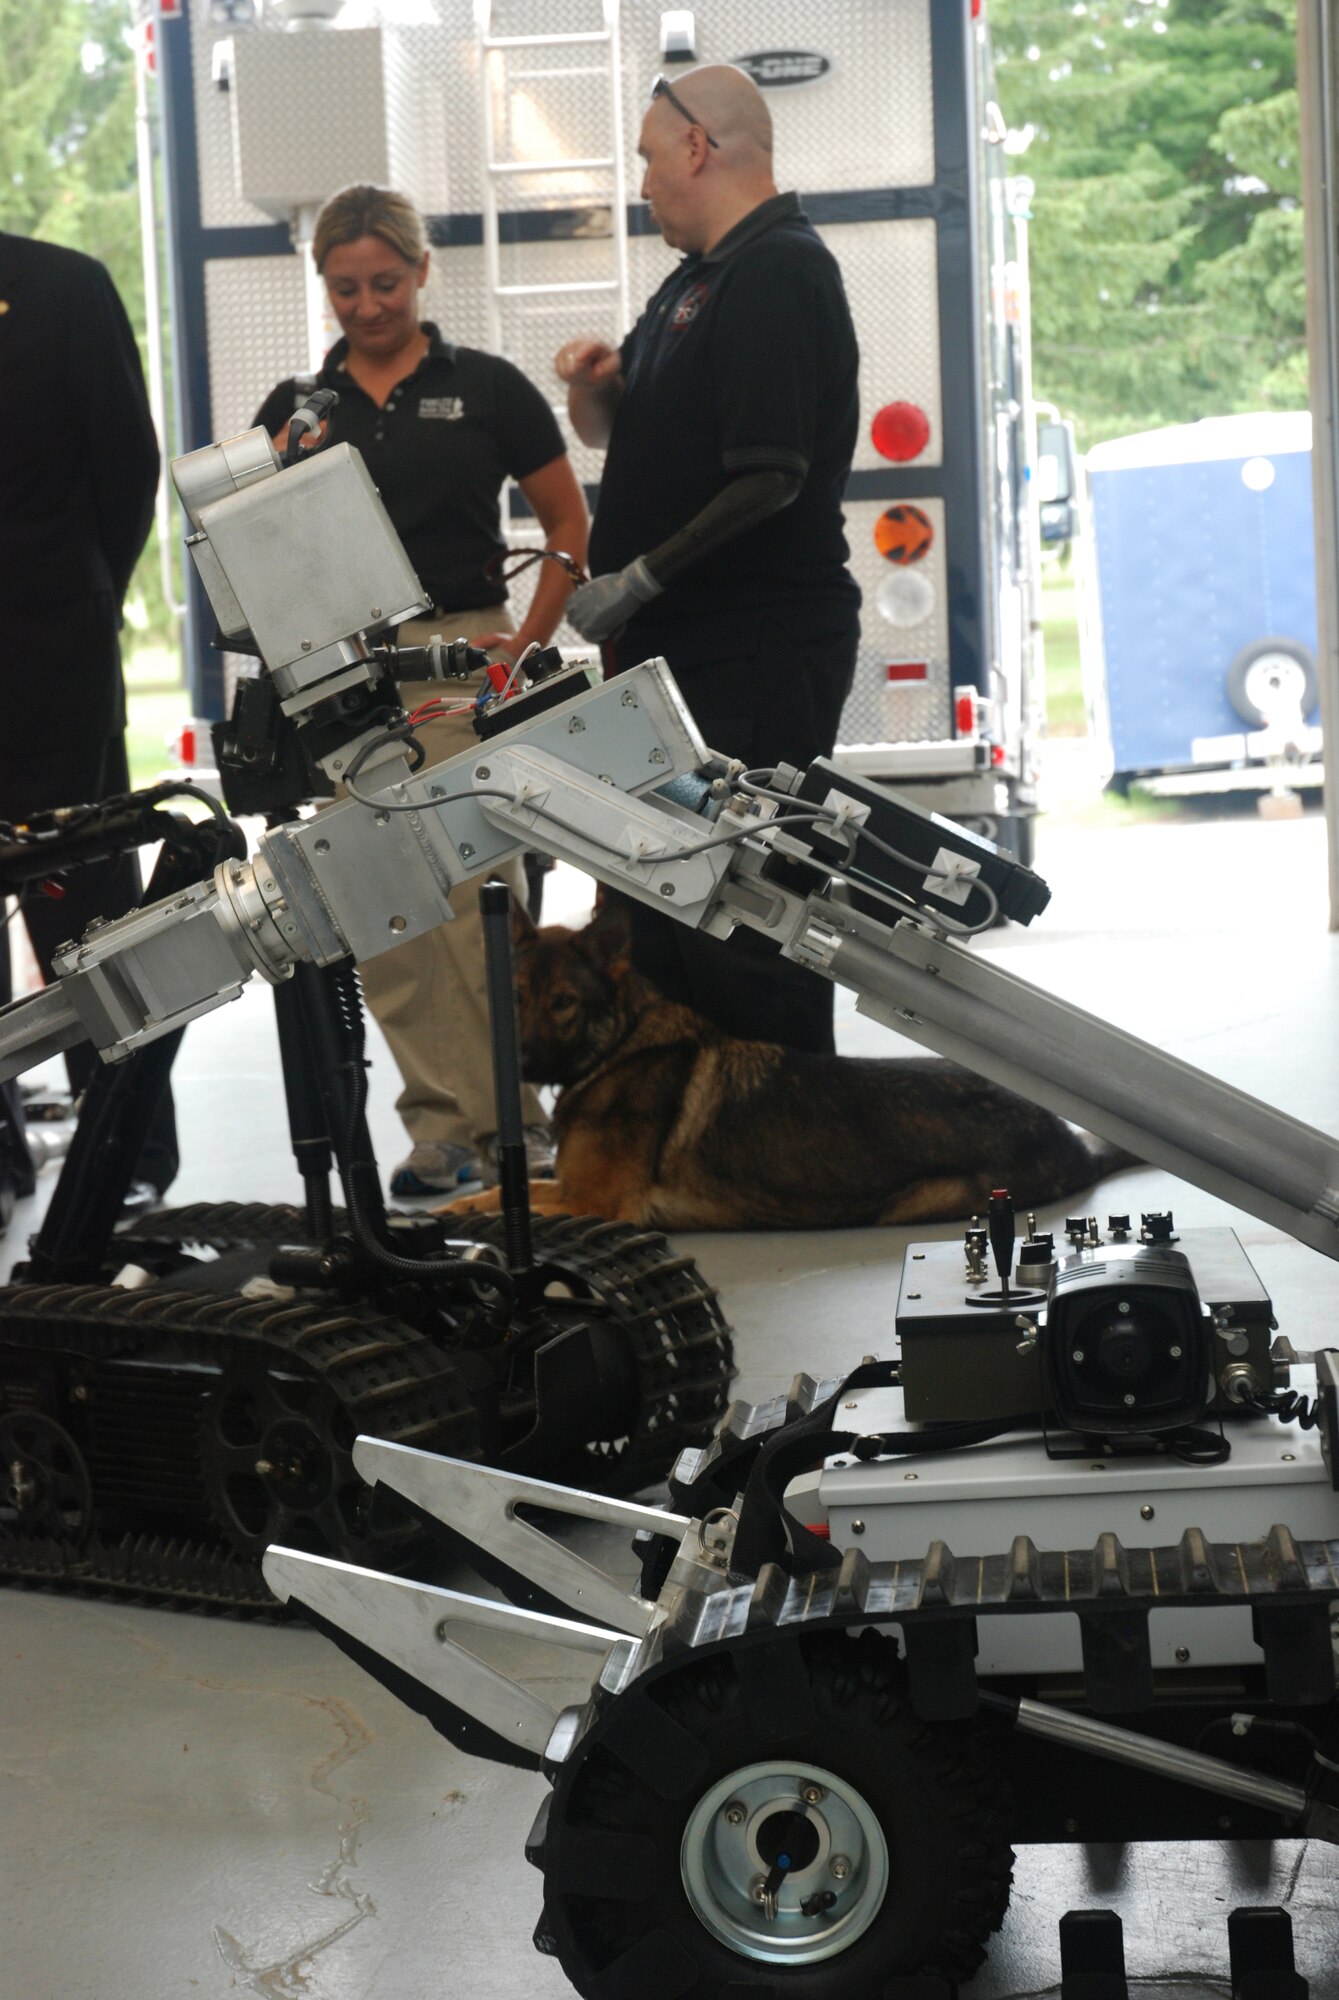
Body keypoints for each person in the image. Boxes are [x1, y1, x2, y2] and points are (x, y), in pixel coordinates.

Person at [254, 185, 589, 1197]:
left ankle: (514, 1121)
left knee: (477, 892)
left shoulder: (484, 387)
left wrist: (523, 647)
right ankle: (441, 1128)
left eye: (386, 283)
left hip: (463, 656)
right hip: (345, 673)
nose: (367, 306)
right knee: (382, 906)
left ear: (422, 272)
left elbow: (568, 526)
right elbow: (258, 552)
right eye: (345, 288)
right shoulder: (297, 410)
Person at [556, 65, 861, 1056]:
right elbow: (632, 439)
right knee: (668, 922)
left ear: (697, 146)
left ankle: (782, 1128)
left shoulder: (777, 271)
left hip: (751, 648)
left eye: (649, 159)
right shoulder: (695, 281)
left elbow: (771, 473)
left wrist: (639, 579)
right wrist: (597, 392)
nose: (643, 184)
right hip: (681, 657)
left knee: (744, 922)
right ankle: (698, 1133)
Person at [0, 230, 178, 1208]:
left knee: (93, 923)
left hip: (49, 666)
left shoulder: (63, 289)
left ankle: (129, 1160)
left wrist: (73, 597)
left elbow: (126, 468)